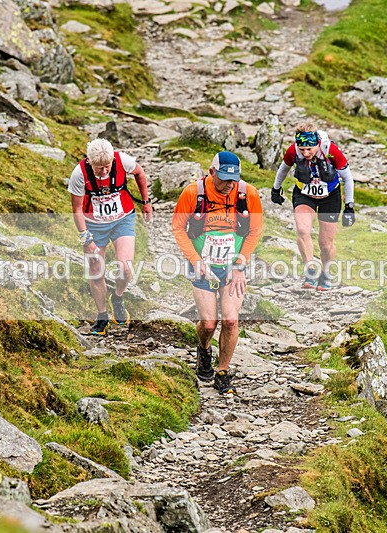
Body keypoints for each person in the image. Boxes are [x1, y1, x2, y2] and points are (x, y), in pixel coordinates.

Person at [172, 151, 263, 394]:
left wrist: (241, 263)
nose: (228, 185)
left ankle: (222, 372)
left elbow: (254, 231)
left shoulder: (248, 194)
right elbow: (178, 228)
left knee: (231, 320)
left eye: (233, 180)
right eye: (223, 179)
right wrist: (195, 260)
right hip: (202, 263)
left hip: (234, 265)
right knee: (209, 323)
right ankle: (204, 349)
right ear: (211, 172)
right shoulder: (193, 193)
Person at [69, 138, 152, 336]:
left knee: (125, 267)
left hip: (122, 219)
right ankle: (102, 315)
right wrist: (85, 239)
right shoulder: (79, 173)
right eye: (99, 168)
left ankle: (118, 297)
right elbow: (76, 209)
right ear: (90, 162)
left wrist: (146, 201)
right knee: (96, 270)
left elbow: (140, 173)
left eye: (107, 166)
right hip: (94, 225)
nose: (104, 171)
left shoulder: (122, 161)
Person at [271, 123, 355, 290]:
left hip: (330, 197)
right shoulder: (293, 151)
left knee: (326, 244)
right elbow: (283, 169)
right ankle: (310, 268)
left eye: (309, 149)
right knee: (303, 230)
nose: (306, 153)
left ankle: (326, 272)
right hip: (304, 195)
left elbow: (348, 178)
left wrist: (349, 206)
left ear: (317, 144)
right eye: (302, 149)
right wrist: (275, 189)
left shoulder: (330, 150)